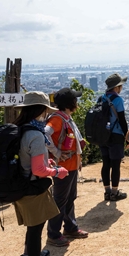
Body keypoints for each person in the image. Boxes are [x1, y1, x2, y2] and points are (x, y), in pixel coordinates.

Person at [13, 91, 68, 256]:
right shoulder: (35, 135)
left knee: (31, 225)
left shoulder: (19, 129)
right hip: (33, 188)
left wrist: (47, 165)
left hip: (20, 184)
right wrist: (56, 171)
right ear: (42, 109)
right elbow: (38, 168)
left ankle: (28, 255)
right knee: (36, 229)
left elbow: (29, 162)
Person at [45, 87, 89, 247]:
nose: (77, 102)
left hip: (71, 165)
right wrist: (56, 152)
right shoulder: (57, 119)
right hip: (63, 167)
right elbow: (44, 133)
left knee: (70, 198)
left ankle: (70, 228)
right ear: (70, 103)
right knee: (60, 200)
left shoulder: (66, 118)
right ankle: (53, 234)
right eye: (75, 100)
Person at [98, 73, 129, 202]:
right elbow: (122, 120)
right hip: (115, 136)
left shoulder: (101, 98)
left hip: (103, 136)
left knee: (106, 164)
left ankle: (107, 192)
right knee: (115, 165)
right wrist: (127, 137)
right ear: (117, 87)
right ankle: (115, 193)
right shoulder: (118, 100)